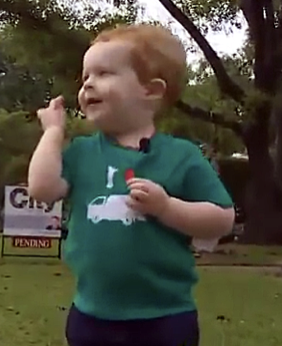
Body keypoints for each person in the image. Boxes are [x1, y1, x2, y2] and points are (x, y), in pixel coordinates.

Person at [27, 24, 235, 346]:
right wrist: (53, 133)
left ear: (150, 90)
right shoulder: (81, 153)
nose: (88, 85)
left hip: (165, 317)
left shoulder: (182, 156)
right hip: (92, 314)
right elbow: (41, 189)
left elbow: (222, 218)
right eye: (85, 77)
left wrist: (167, 207)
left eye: (104, 73)